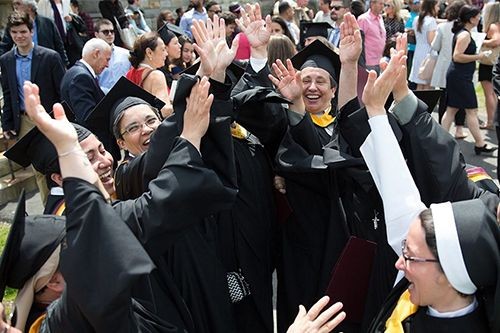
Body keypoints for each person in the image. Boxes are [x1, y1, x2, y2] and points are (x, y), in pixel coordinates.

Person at [358, 48, 500, 333]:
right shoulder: (480, 222)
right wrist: (391, 102)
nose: (400, 263)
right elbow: (407, 212)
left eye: (409, 256)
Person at [0, 12, 65, 140]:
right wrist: (7, 124)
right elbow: (8, 94)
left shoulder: (50, 57)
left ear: (32, 31)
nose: (19, 36)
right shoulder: (6, 60)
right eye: (14, 32)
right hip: (23, 121)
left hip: (49, 118)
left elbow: (62, 92)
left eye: (23, 32)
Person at [441, 5, 496, 155]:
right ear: (471, 18)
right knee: (471, 110)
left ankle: (439, 141)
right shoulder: (464, 35)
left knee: (452, 109)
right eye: (478, 16)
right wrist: (479, 56)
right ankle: (480, 143)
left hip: (459, 76)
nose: (479, 19)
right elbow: (457, 56)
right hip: (460, 77)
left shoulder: (465, 33)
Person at [430, 0, 467, 137]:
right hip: (462, 68)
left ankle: (442, 128)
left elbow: (435, 46)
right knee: (461, 98)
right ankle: (459, 128)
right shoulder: (468, 29)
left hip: (445, 66)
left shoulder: (443, 27)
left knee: (444, 98)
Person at [0, 0, 68, 66]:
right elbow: (4, 46)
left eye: (18, 4)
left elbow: (59, 46)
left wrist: (64, 64)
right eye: (14, 4)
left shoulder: (47, 23)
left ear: (29, 7)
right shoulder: (13, 25)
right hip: (24, 65)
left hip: (47, 65)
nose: (15, 7)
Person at [126, 31, 173, 117]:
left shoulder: (129, 73)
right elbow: (164, 110)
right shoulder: (156, 75)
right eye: (163, 49)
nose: (166, 54)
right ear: (149, 52)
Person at [478, 2, 500, 130]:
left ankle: (491, 120)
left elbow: (496, 41)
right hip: (494, 63)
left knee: (489, 94)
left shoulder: (493, 26)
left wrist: (480, 40)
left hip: (488, 63)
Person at [95, 18, 131, 94]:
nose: (110, 34)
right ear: (97, 34)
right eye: (105, 32)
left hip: (126, 97)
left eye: (112, 31)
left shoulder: (126, 54)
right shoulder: (93, 57)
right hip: (104, 98)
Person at [408, 0, 438, 89]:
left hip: (418, 52)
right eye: (437, 6)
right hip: (428, 54)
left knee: (419, 84)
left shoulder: (417, 19)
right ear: (432, 7)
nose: (438, 8)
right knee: (427, 84)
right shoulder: (431, 21)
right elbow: (431, 41)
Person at [357, 0, 387, 73]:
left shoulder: (380, 18)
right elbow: (358, 40)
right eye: (380, 4)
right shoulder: (363, 19)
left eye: (383, 4)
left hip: (379, 61)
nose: (382, 6)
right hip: (368, 62)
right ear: (372, 3)